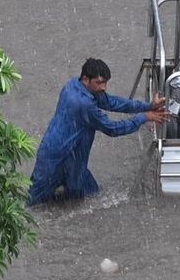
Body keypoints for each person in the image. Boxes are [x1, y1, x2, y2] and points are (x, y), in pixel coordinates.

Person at [27, 58, 166, 205]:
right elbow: (113, 129)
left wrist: (148, 106)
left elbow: (111, 102)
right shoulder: (83, 104)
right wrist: (144, 117)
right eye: (99, 82)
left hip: (73, 157)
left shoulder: (73, 85)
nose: (104, 87)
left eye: (105, 82)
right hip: (54, 161)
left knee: (89, 197)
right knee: (32, 205)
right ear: (85, 79)